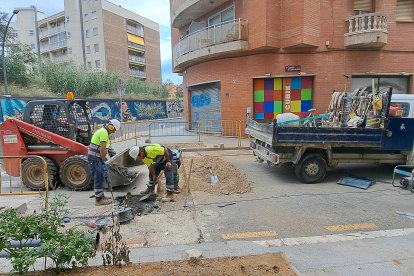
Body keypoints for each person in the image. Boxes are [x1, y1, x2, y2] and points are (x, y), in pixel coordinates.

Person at [88, 119, 121, 206]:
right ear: (111, 127)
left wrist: (104, 159)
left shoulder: (104, 133)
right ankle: (98, 200)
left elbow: (107, 149)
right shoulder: (104, 132)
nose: (113, 132)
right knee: (98, 177)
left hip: (96, 158)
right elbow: (103, 149)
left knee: (101, 176)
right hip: (95, 158)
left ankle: (101, 196)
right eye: (114, 130)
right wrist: (103, 160)